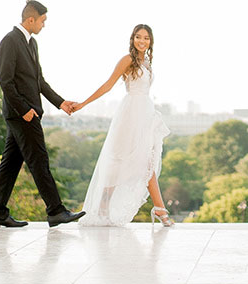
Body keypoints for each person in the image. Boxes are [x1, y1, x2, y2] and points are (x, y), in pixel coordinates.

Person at [0, 0, 85, 228]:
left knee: (10, 164)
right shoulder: (10, 41)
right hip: (22, 115)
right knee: (39, 160)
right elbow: (6, 81)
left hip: (27, 114)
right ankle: (55, 210)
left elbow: (39, 81)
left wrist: (61, 103)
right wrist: (24, 110)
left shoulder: (31, 44)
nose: (44, 25)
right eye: (42, 21)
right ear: (31, 19)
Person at [73, 23, 173, 227]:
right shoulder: (127, 60)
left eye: (146, 38)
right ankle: (155, 210)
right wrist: (83, 103)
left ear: (151, 41)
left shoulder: (147, 61)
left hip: (145, 114)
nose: (142, 41)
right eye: (138, 37)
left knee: (147, 163)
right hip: (130, 115)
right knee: (122, 163)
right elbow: (108, 85)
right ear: (132, 39)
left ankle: (159, 209)